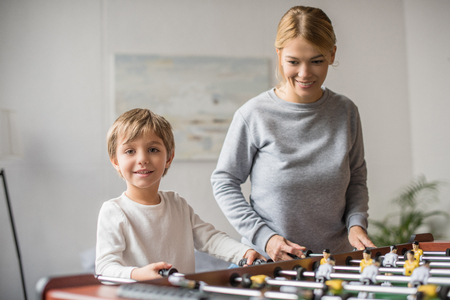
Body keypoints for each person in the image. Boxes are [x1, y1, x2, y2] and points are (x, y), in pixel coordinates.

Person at [211, 5, 374, 261]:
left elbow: (356, 178)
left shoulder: (346, 112)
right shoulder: (254, 114)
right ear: (279, 55)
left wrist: (356, 223)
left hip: (335, 262)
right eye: (293, 62)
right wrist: (266, 238)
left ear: (332, 55)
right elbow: (224, 182)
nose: (305, 73)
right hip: (270, 262)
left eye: (317, 61)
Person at [96, 108, 264, 280]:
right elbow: (105, 267)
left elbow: (210, 239)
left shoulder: (177, 204)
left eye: (153, 149)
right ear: (116, 161)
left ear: (169, 157)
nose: (142, 159)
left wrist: (244, 252)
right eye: (130, 151)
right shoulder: (114, 211)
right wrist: (137, 274)